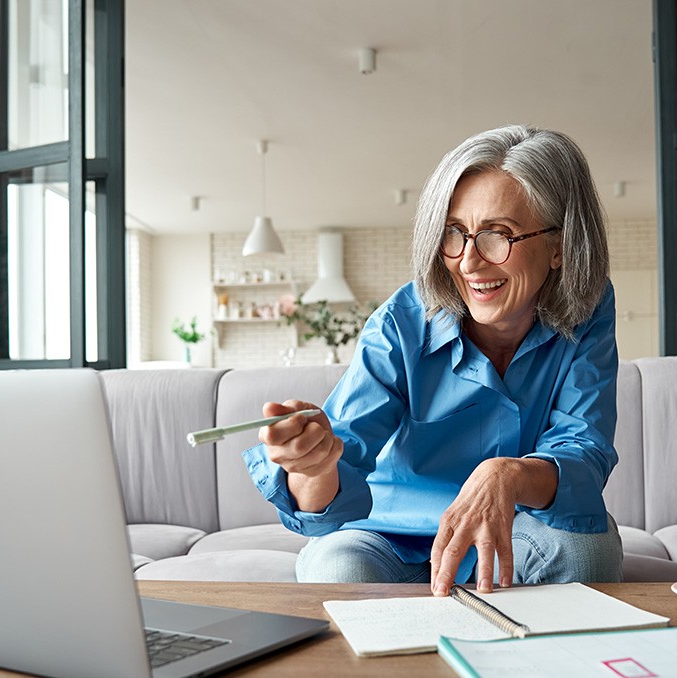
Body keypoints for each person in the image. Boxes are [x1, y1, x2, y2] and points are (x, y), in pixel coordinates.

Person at [243, 124, 622, 596]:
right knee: (337, 567)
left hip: (516, 529)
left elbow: (582, 450)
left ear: (560, 246)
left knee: (589, 549)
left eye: (497, 235)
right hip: (386, 535)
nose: (468, 262)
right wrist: (313, 466)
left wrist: (507, 474)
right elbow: (339, 474)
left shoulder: (587, 309)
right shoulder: (400, 323)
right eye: (454, 234)